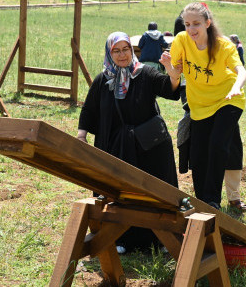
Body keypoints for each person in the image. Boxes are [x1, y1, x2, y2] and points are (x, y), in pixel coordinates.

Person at [77, 32, 181, 252]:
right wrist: (81, 135)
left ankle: (161, 238)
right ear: (109, 52)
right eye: (116, 50)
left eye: (126, 49)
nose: (122, 54)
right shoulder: (102, 79)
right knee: (119, 193)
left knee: (154, 192)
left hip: (148, 148)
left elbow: (167, 88)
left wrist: (173, 75)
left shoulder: (144, 73)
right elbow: (89, 109)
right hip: (115, 148)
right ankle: (121, 239)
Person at [169, 2, 246, 210]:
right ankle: (202, 200)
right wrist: (169, 68)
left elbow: (242, 71)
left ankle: (212, 200)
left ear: (207, 23)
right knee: (198, 153)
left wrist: (236, 87)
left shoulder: (223, 45)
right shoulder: (181, 41)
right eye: (187, 24)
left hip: (228, 99)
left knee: (217, 145)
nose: (191, 29)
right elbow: (176, 75)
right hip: (200, 105)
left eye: (196, 24)